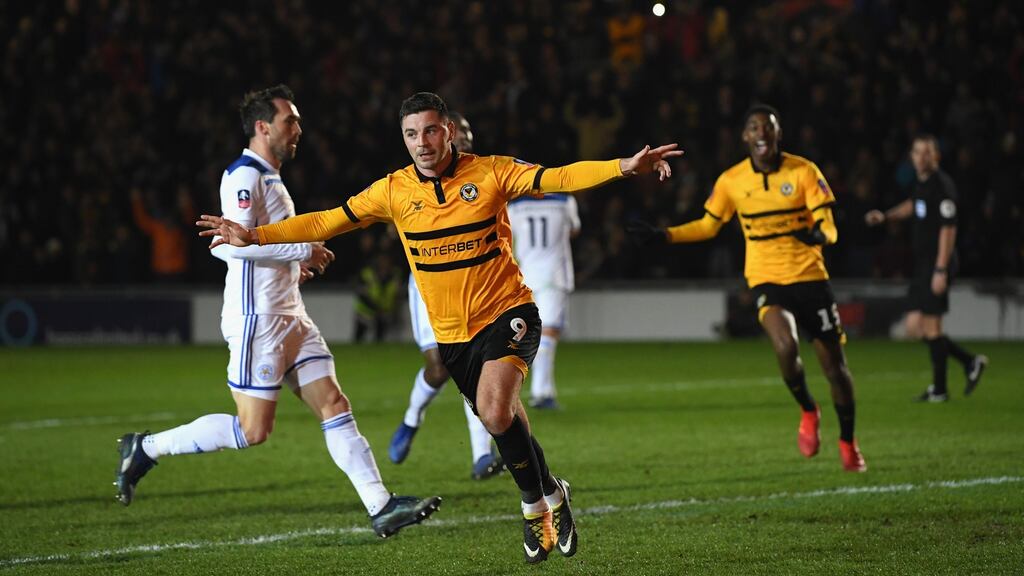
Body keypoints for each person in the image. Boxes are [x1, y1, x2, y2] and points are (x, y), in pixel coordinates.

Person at [197, 91, 681, 564]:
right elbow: (327, 220)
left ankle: (534, 507)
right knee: (506, 417)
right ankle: (553, 490)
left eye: (430, 130)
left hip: (508, 311)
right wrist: (256, 234)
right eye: (411, 134)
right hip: (453, 336)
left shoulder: (490, 171)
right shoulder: (392, 190)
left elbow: (558, 176)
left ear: (448, 131)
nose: (422, 142)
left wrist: (622, 166)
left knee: (494, 412)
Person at [114, 85, 441, 538]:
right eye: (291, 121)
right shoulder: (244, 177)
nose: (298, 130)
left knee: (333, 403)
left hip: (290, 314)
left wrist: (295, 265)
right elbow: (230, 248)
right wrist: (302, 247)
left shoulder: (270, 177)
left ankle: (380, 506)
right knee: (253, 430)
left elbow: (260, 245)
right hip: (258, 320)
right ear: (264, 127)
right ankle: (146, 447)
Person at [628, 104, 867, 472]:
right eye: (754, 128)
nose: (761, 134)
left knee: (835, 369)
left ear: (777, 135)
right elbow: (709, 226)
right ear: (745, 137)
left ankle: (848, 441)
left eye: (768, 128)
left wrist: (822, 235)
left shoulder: (803, 171)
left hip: (810, 279)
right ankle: (808, 409)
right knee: (785, 347)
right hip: (766, 278)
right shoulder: (732, 181)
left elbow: (829, 224)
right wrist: (664, 235)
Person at [388, 112, 505, 481]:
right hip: (430, 285)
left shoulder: (485, 175)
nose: (466, 138)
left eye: (469, 132)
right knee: (439, 367)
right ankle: (412, 418)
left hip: (476, 285)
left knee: (477, 364)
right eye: (459, 132)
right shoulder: (414, 181)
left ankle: (481, 455)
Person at [865, 134, 988, 402]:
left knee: (931, 327)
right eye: (917, 152)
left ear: (936, 157)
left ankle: (940, 390)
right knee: (914, 327)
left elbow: (948, 228)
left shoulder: (942, 186)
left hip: (937, 264)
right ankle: (969, 362)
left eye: (927, 153)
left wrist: (941, 269)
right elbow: (913, 206)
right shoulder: (921, 184)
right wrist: (886, 216)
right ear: (911, 157)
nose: (922, 157)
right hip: (924, 265)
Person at [507, 187, 581, 409]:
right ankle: (541, 392)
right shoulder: (565, 200)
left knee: (524, 334)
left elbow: (508, 237)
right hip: (554, 274)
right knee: (549, 332)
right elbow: (574, 229)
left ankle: (521, 391)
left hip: (525, 274)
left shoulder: (515, 205)